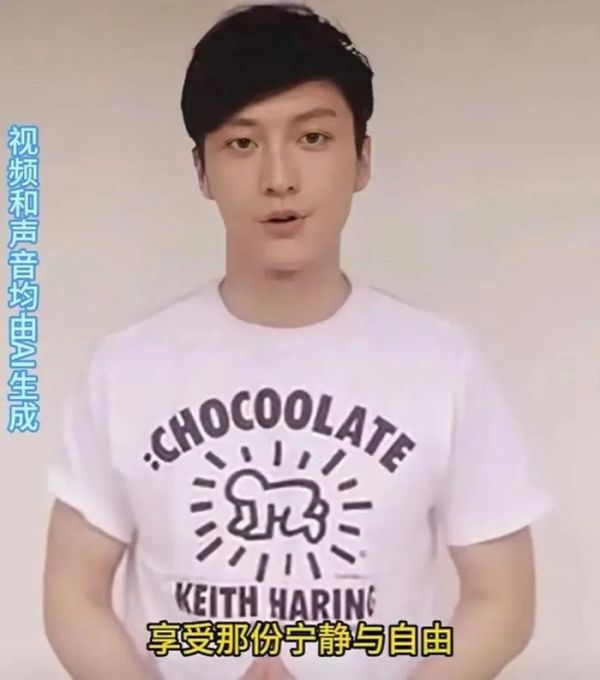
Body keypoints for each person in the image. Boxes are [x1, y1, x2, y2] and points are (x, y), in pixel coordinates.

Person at [43, 3, 555, 679]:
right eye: (241, 143)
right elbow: (73, 594)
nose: (278, 178)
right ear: (201, 171)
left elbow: (502, 600)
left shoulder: (443, 364)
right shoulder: (127, 367)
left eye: (313, 137)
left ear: (362, 158)